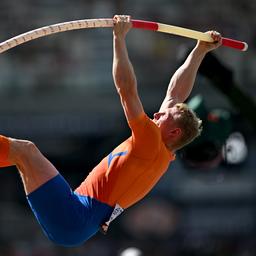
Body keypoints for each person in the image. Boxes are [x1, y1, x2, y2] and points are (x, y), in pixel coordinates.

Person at [0, 15, 221, 247]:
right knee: (23, 154)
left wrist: (119, 37)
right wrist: (200, 51)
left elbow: (126, 89)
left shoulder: (150, 142)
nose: (157, 113)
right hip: (77, 222)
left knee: (25, 152)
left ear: (174, 133)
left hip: (76, 217)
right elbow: (175, 95)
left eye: (164, 116)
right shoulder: (162, 152)